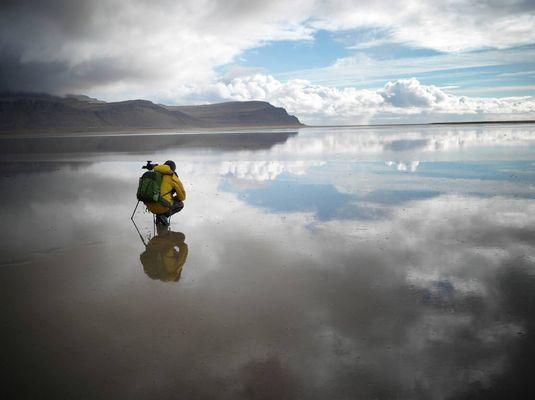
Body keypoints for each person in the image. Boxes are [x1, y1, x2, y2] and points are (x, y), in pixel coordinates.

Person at [145, 160, 186, 226]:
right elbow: (182, 197)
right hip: (162, 206)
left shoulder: (153, 174)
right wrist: (173, 198)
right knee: (180, 204)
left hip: (149, 205)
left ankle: (160, 216)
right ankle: (162, 216)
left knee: (158, 198)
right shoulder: (173, 177)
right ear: (173, 169)